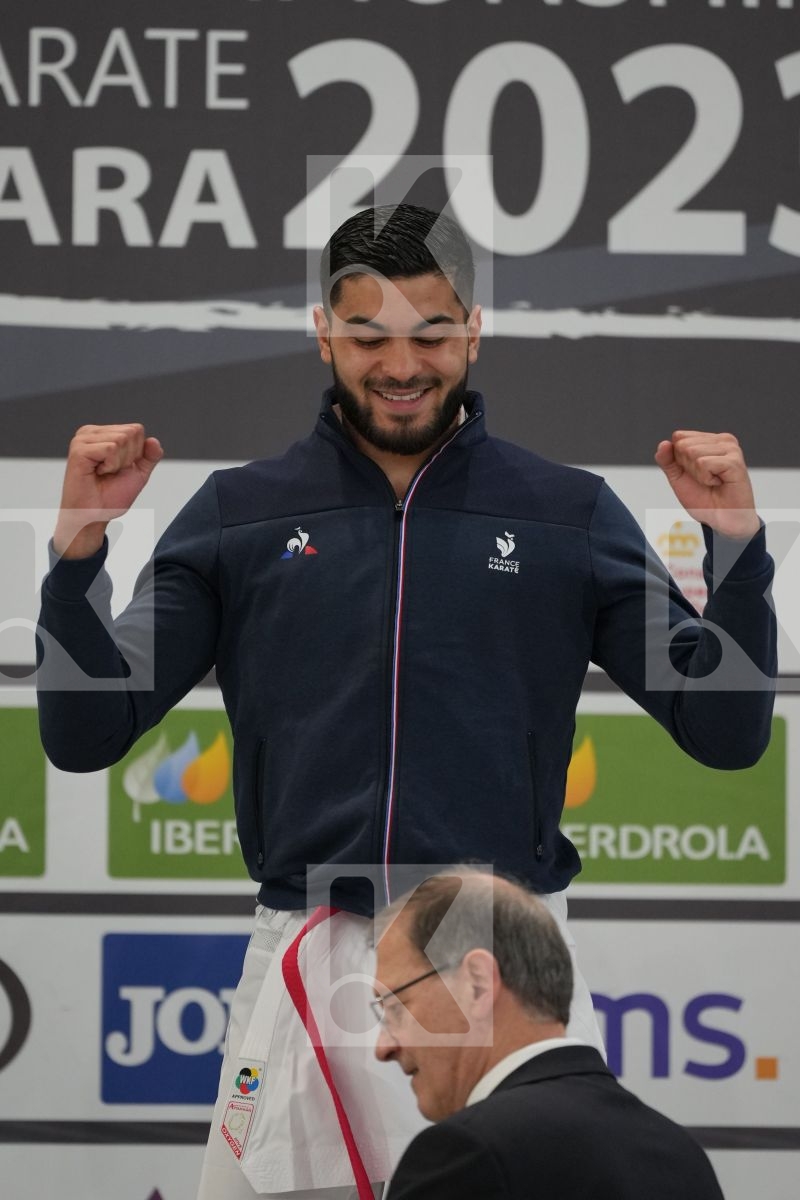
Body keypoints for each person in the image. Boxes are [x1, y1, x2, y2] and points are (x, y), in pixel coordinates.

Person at [35, 204, 775, 1199]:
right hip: (308, 949)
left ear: (472, 330)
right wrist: (79, 552)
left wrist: (733, 552)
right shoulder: (239, 512)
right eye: (367, 335)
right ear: (320, 331)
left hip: (501, 959)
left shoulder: (563, 511)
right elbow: (84, 730)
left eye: (429, 333)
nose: (400, 364)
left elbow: (724, 732)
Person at [373, 867, 725, 1200]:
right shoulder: (679, 1152)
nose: (383, 1047)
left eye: (396, 1006)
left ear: (478, 984)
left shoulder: (465, 1154)